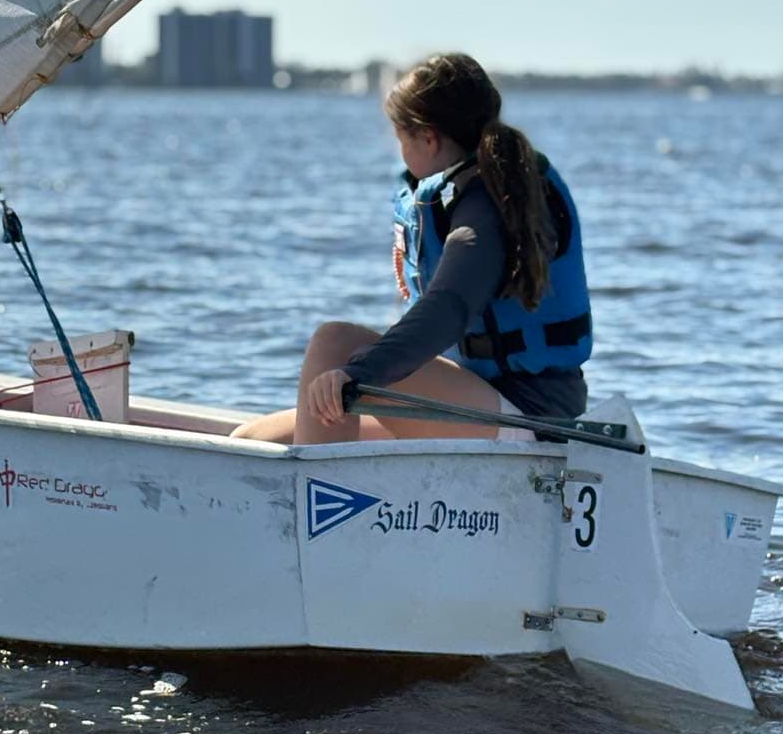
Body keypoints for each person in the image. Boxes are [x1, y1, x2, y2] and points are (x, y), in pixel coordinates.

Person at [232, 52, 591, 445]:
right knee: (255, 438)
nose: (401, 153)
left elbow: (449, 306)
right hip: (477, 403)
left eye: (401, 139)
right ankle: (315, 475)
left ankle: (321, 486)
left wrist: (360, 372)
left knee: (335, 346)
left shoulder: (487, 207)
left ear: (428, 139)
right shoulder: (465, 193)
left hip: (530, 419)